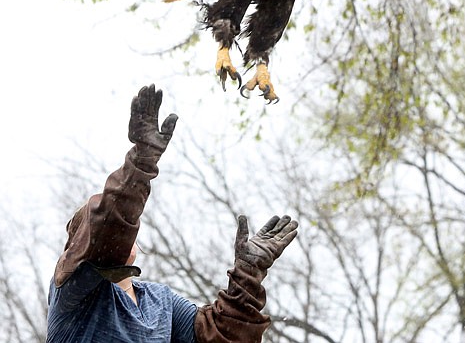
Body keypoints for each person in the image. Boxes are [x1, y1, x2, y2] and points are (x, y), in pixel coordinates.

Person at [46, 84, 298, 342]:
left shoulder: (161, 303)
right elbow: (106, 234)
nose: (124, 223)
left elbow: (221, 336)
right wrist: (140, 164)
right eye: (101, 221)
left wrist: (248, 273)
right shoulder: (72, 292)